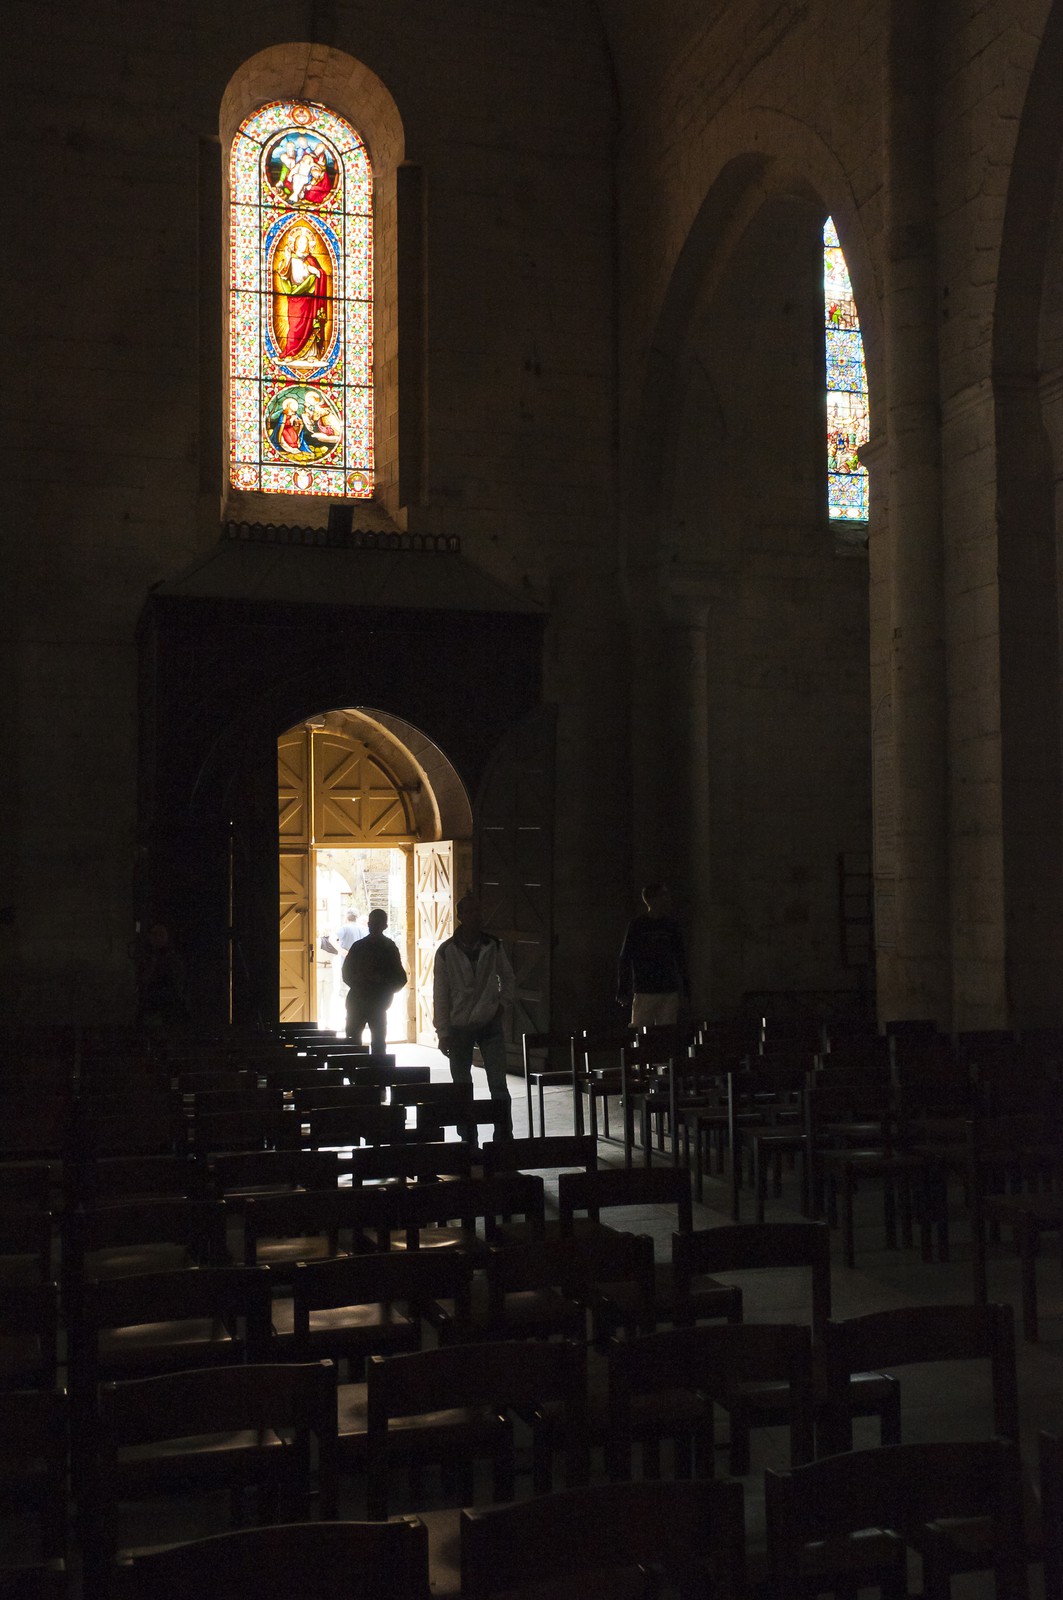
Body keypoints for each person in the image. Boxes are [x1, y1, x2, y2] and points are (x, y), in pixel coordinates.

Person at [433, 891, 515, 1141]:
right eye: (469, 912)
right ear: (460, 916)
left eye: (478, 912)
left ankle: (503, 1135)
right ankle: (468, 1136)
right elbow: (441, 994)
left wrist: (501, 1005)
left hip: (489, 1021)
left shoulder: (493, 945)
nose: (475, 916)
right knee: (462, 1085)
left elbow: (509, 979)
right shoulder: (447, 951)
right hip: (459, 1025)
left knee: (498, 1083)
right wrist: (443, 1032)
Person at [616, 882, 689, 1027]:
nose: (668, 899)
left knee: (665, 1033)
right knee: (641, 1031)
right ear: (652, 899)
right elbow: (626, 957)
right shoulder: (638, 925)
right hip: (646, 988)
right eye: (663, 896)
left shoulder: (670, 926)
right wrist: (623, 988)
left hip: (666, 988)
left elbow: (681, 958)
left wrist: (685, 989)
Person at [341, 907, 407, 1056]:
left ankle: (355, 1076)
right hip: (377, 1002)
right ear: (386, 926)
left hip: (359, 1000)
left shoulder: (359, 946)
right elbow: (400, 978)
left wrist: (361, 984)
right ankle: (378, 1075)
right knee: (377, 1045)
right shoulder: (389, 947)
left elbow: (346, 974)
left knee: (353, 1044)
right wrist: (384, 988)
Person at [132, 920, 189, 1036]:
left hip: (170, 1006)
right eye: (154, 934)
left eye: (161, 934)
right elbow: (141, 981)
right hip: (150, 1006)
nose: (157, 938)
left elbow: (178, 983)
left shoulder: (174, 959)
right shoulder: (145, 958)